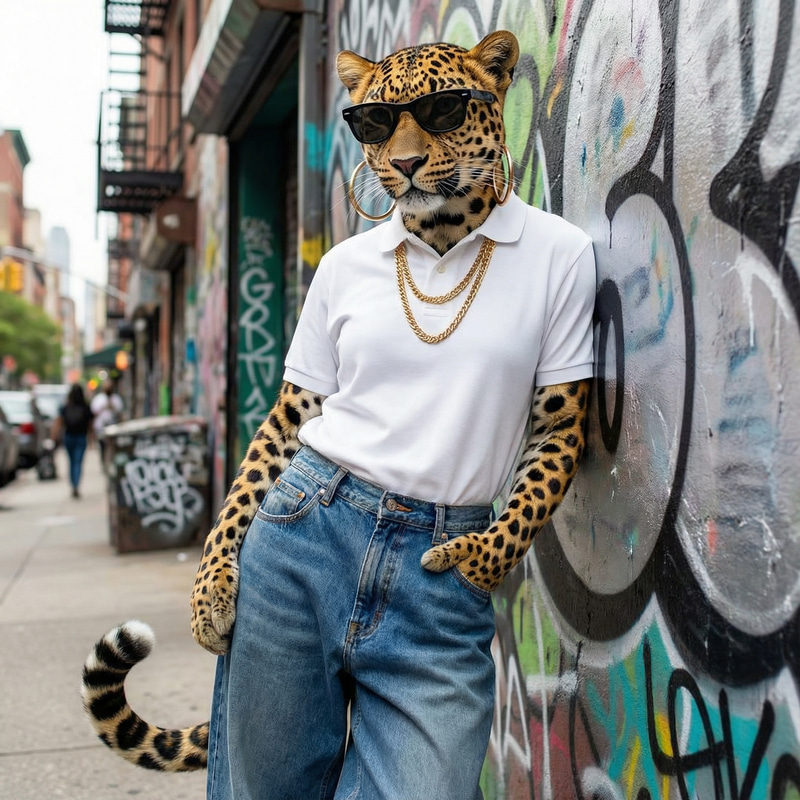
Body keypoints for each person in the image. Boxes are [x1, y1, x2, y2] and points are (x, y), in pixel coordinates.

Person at [192, 31, 596, 800]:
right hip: (303, 534)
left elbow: (557, 431)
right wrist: (222, 553)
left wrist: (499, 548)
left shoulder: (558, 255)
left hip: (440, 572)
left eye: (440, 114)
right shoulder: (347, 266)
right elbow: (286, 427)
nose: (406, 149)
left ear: (494, 95)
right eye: (379, 124)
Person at [53, 384, 93, 498]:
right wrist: (91, 438)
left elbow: (59, 423)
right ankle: (76, 484)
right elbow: (90, 425)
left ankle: (73, 484)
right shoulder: (85, 407)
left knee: (71, 462)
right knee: (78, 462)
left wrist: (54, 436)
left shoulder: (65, 407)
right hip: (81, 437)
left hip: (69, 437)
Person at [90, 380, 123, 464]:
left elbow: (120, 413)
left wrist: (112, 407)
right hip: (101, 427)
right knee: (103, 445)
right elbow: (93, 413)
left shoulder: (116, 399)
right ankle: (104, 461)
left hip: (114, 426)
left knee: (113, 445)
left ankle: (111, 461)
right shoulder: (99, 399)